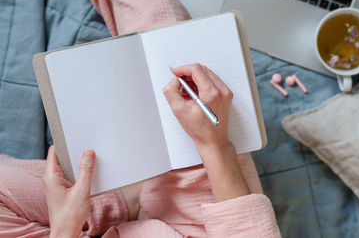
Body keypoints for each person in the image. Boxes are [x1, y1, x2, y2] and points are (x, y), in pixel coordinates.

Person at [41, 63, 281, 237]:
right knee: (166, 28)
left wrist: (63, 229)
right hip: (205, 222)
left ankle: (123, 198)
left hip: (90, 217)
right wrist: (215, 147)